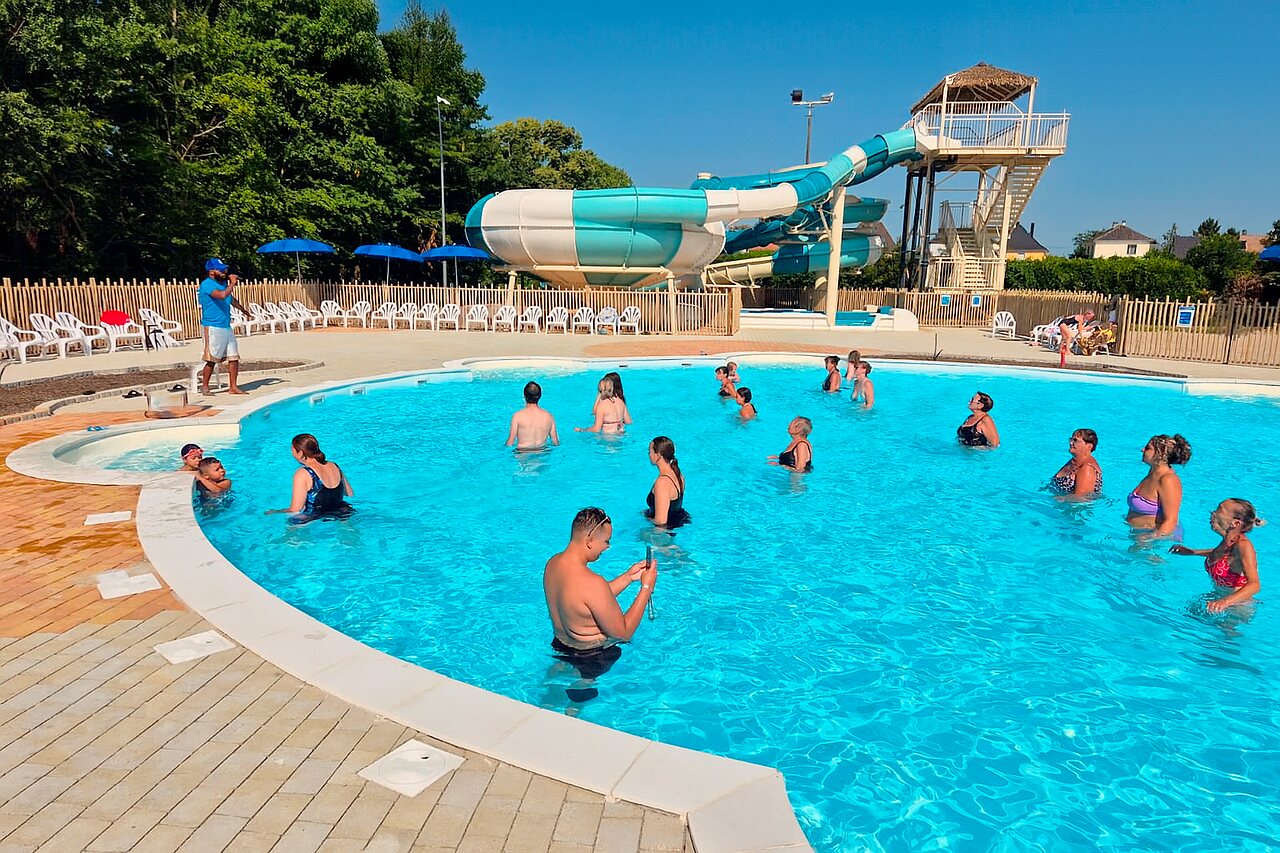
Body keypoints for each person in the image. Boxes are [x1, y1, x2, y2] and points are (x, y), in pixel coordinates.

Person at [543, 508, 657, 698]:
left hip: (561, 646)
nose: (607, 547)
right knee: (575, 708)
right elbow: (624, 632)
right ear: (589, 541)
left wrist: (628, 577)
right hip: (592, 658)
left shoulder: (552, 564)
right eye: (605, 541)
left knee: (550, 701)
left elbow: (585, 603)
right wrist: (646, 588)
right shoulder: (593, 583)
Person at [1170, 499, 1264, 612]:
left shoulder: (1244, 546)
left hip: (1237, 608)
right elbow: (1223, 555)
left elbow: (1254, 585)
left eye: (1219, 510)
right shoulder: (1229, 541)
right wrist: (1192, 552)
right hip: (1217, 599)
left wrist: (1225, 602)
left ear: (1235, 523)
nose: (1213, 513)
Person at [269, 433, 354, 521]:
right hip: (342, 511)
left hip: (314, 514)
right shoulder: (334, 465)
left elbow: (295, 509)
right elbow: (349, 493)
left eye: (292, 450)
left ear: (300, 453)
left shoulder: (303, 473)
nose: (291, 453)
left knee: (292, 524)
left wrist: (275, 512)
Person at [197, 258, 247, 396]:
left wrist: (244, 310)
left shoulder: (223, 283)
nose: (225, 272)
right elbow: (221, 295)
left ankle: (233, 387)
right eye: (221, 269)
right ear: (211, 271)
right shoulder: (207, 284)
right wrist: (232, 284)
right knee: (212, 358)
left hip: (225, 325)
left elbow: (230, 298)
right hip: (212, 326)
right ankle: (205, 387)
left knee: (234, 357)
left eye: (225, 269)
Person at [1127, 434, 1191, 537]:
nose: (1142, 450)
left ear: (1160, 453)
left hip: (1155, 541)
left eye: (1148, 448)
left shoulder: (1168, 480)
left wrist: (1150, 540)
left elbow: (1171, 521)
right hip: (1141, 536)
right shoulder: (1152, 473)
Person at [645, 436, 690, 529]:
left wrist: (645, 519)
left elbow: (661, 521)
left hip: (664, 533)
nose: (649, 455)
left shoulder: (662, 483)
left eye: (650, 452)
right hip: (676, 522)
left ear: (658, 456)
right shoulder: (678, 474)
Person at [506, 381, 560, 450]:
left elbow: (510, 443)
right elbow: (555, 443)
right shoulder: (549, 416)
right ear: (540, 396)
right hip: (542, 454)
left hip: (523, 454)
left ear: (524, 396)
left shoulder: (518, 416)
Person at [1049, 429, 1102, 497]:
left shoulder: (1087, 469)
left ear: (1089, 446)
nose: (1071, 443)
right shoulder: (1074, 461)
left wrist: (1056, 499)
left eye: (1075, 440)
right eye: (1071, 439)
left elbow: (1082, 500)